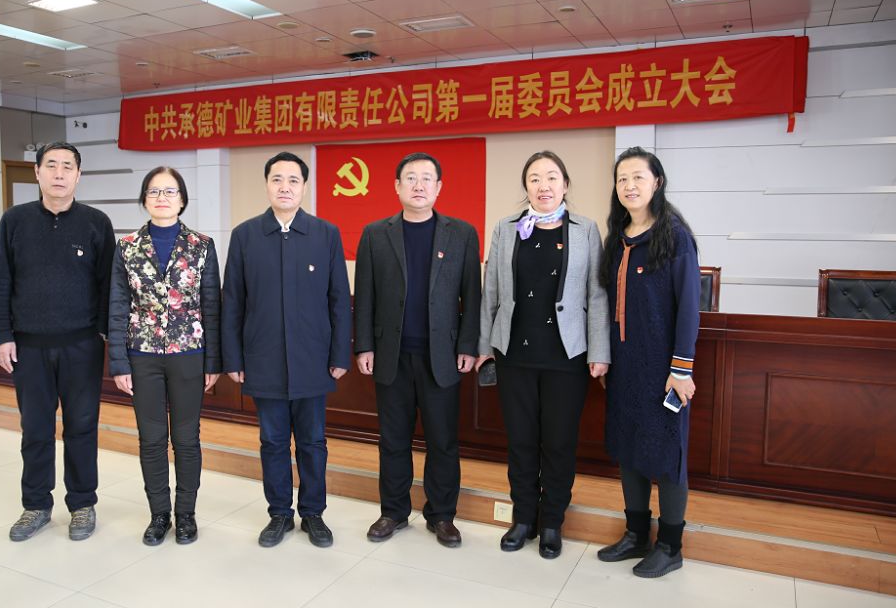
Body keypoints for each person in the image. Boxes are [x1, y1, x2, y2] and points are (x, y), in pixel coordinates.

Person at [477, 151, 610, 559]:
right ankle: (522, 518)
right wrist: (483, 348)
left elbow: (597, 294)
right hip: (514, 352)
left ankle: (552, 521)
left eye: (552, 177)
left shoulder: (586, 230)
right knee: (520, 441)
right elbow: (491, 291)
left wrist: (599, 350)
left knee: (558, 443)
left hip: (566, 355)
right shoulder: (506, 228)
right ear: (526, 187)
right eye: (535, 178)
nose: (544, 185)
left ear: (565, 185)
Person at [221, 151, 351, 549]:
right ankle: (279, 513)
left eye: (293, 180)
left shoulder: (325, 234)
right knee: (273, 442)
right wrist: (233, 358)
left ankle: (313, 513)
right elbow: (233, 302)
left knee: (313, 443)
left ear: (304, 187)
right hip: (263, 359)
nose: (285, 187)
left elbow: (339, 300)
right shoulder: (245, 235)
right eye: (277, 179)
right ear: (266, 185)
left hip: (313, 360)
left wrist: (339, 355)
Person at [353, 152, 482, 548]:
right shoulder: (375, 233)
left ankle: (442, 515)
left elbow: (472, 295)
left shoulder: (462, 234)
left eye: (427, 178)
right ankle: (393, 511)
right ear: (397, 186)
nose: (419, 185)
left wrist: (468, 344)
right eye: (411, 178)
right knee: (393, 439)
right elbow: (365, 294)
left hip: (442, 356)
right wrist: (364, 345)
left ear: (439, 187)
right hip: (391, 355)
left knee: (443, 440)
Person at [0, 141, 115, 542]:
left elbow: (108, 285)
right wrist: (3, 336)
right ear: (37, 172)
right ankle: (36, 506)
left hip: (82, 345)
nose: (59, 173)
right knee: (35, 429)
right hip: (28, 347)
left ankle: (82, 504)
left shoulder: (96, 223)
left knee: (82, 427)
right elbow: (1, 282)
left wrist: (103, 334)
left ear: (79, 175)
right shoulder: (14, 221)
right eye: (51, 165)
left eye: (67, 166)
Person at [597, 146, 700, 578]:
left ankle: (671, 546)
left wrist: (681, 369)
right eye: (622, 178)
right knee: (629, 448)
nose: (629, 186)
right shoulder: (617, 237)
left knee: (667, 453)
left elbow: (689, 307)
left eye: (638, 177)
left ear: (656, 182)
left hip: (664, 370)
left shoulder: (674, 235)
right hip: (625, 365)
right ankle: (635, 533)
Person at [108, 167, 221, 546]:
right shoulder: (126, 247)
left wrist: (214, 361)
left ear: (182, 199)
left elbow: (211, 305)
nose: (162, 198)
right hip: (142, 354)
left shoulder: (201, 245)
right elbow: (118, 306)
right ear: (144, 199)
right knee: (152, 438)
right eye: (154, 191)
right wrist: (119, 362)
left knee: (187, 438)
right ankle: (159, 515)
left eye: (170, 191)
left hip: (190, 352)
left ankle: (186, 514)